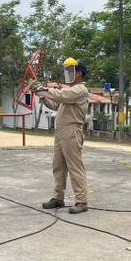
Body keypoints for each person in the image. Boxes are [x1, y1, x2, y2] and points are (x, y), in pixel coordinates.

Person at [32, 57, 90, 214]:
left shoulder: (79, 90)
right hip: (61, 131)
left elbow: (60, 96)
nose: (68, 74)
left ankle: (81, 201)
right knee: (58, 167)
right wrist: (42, 96)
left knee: (75, 167)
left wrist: (43, 89)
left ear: (79, 74)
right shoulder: (70, 91)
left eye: (71, 71)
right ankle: (58, 198)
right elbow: (54, 104)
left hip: (72, 131)